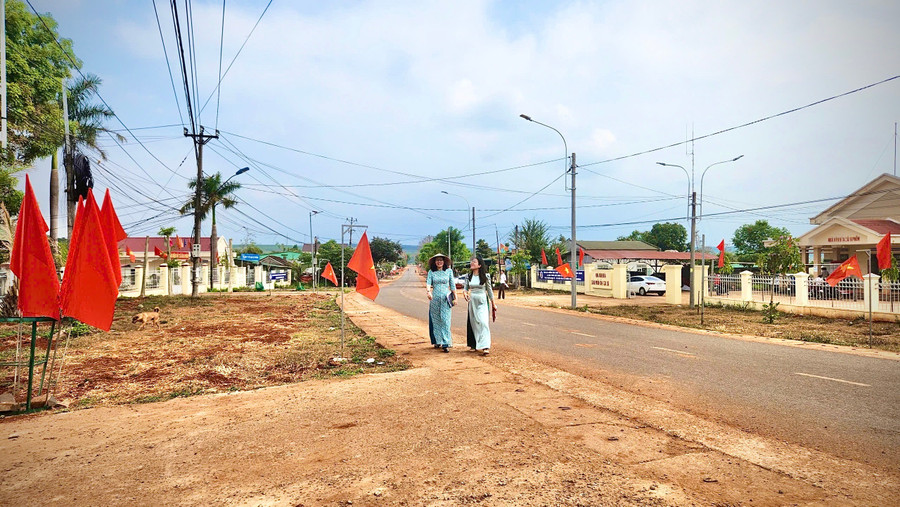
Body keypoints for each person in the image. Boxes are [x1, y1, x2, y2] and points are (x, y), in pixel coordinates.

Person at [464, 255, 496, 355]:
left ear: (479, 265)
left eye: (474, 262)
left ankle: (485, 345)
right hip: (472, 301)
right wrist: (465, 293)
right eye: (471, 262)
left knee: (483, 322)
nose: (472, 263)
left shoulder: (486, 276)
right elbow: (465, 288)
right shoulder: (468, 276)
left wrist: (493, 304)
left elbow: (489, 290)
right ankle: (474, 344)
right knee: (473, 322)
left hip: (482, 300)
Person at [425, 253, 456, 352]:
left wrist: (455, 297)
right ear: (435, 262)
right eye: (437, 260)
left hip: (446, 298)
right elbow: (428, 283)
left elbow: (452, 284)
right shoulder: (431, 272)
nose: (439, 262)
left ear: (444, 262)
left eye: (441, 260)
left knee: (446, 320)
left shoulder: (449, 271)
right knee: (436, 320)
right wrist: (429, 292)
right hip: (435, 299)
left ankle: (446, 342)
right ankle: (438, 341)